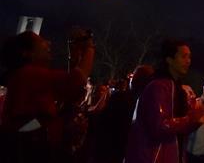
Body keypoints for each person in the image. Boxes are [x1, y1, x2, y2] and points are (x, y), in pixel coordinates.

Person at [0, 29, 94, 163]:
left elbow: (70, 93)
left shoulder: (23, 76)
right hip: (30, 152)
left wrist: (75, 59)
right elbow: (75, 82)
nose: (48, 43)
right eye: (41, 41)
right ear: (27, 53)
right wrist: (89, 46)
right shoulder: (28, 74)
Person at [125, 39, 204, 163]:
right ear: (169, 59)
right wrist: (191, 119)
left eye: (189, 57)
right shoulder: (158, 87)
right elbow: (159, 126)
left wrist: (197, 121)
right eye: (183, 56)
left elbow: (178, 129)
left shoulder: (177, 88)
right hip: (154, 156)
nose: (188, 61)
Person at [91, 65, 154, 163]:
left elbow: (101, 124)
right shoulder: (148, 106)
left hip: (109, 153)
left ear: (133, 81)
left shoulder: (119, 98)